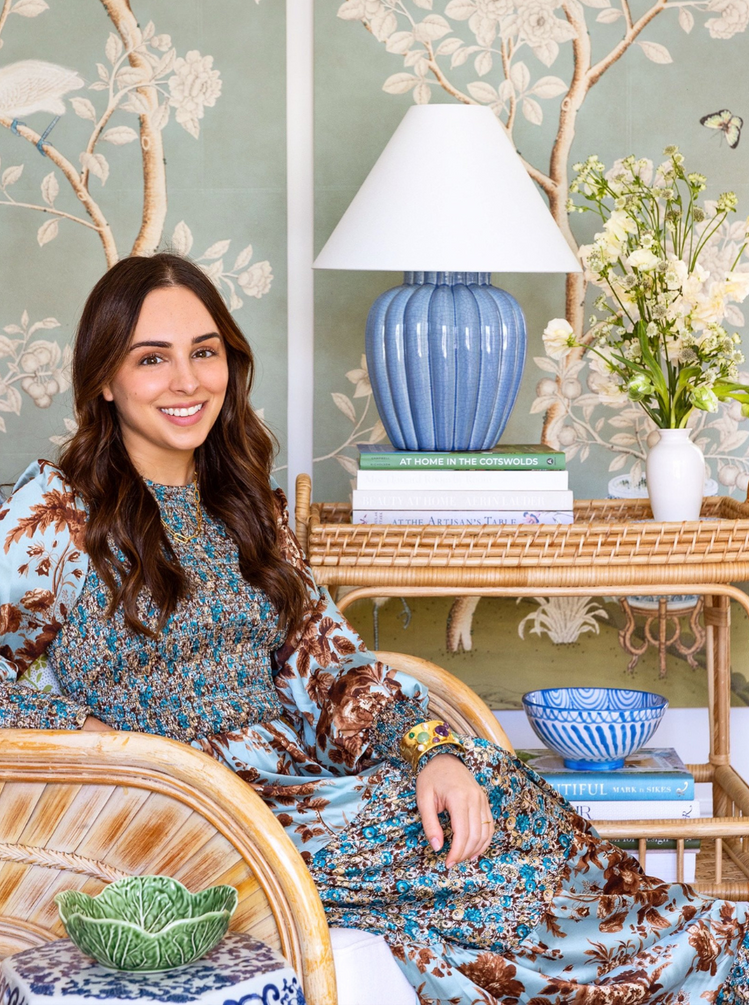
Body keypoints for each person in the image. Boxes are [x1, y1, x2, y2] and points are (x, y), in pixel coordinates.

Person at [1, 253, 747, 1005]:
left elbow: (331, 668)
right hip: (185, 811)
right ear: (104, 378)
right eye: (151, 359)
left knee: (481, 779)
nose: (188, 381)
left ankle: (690, 951)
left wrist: (432, 751)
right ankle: (694, 955)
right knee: (444, 835)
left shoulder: (246, 507)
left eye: (205, 351)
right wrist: (98, 741)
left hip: (302, 784)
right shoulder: (58, 512)